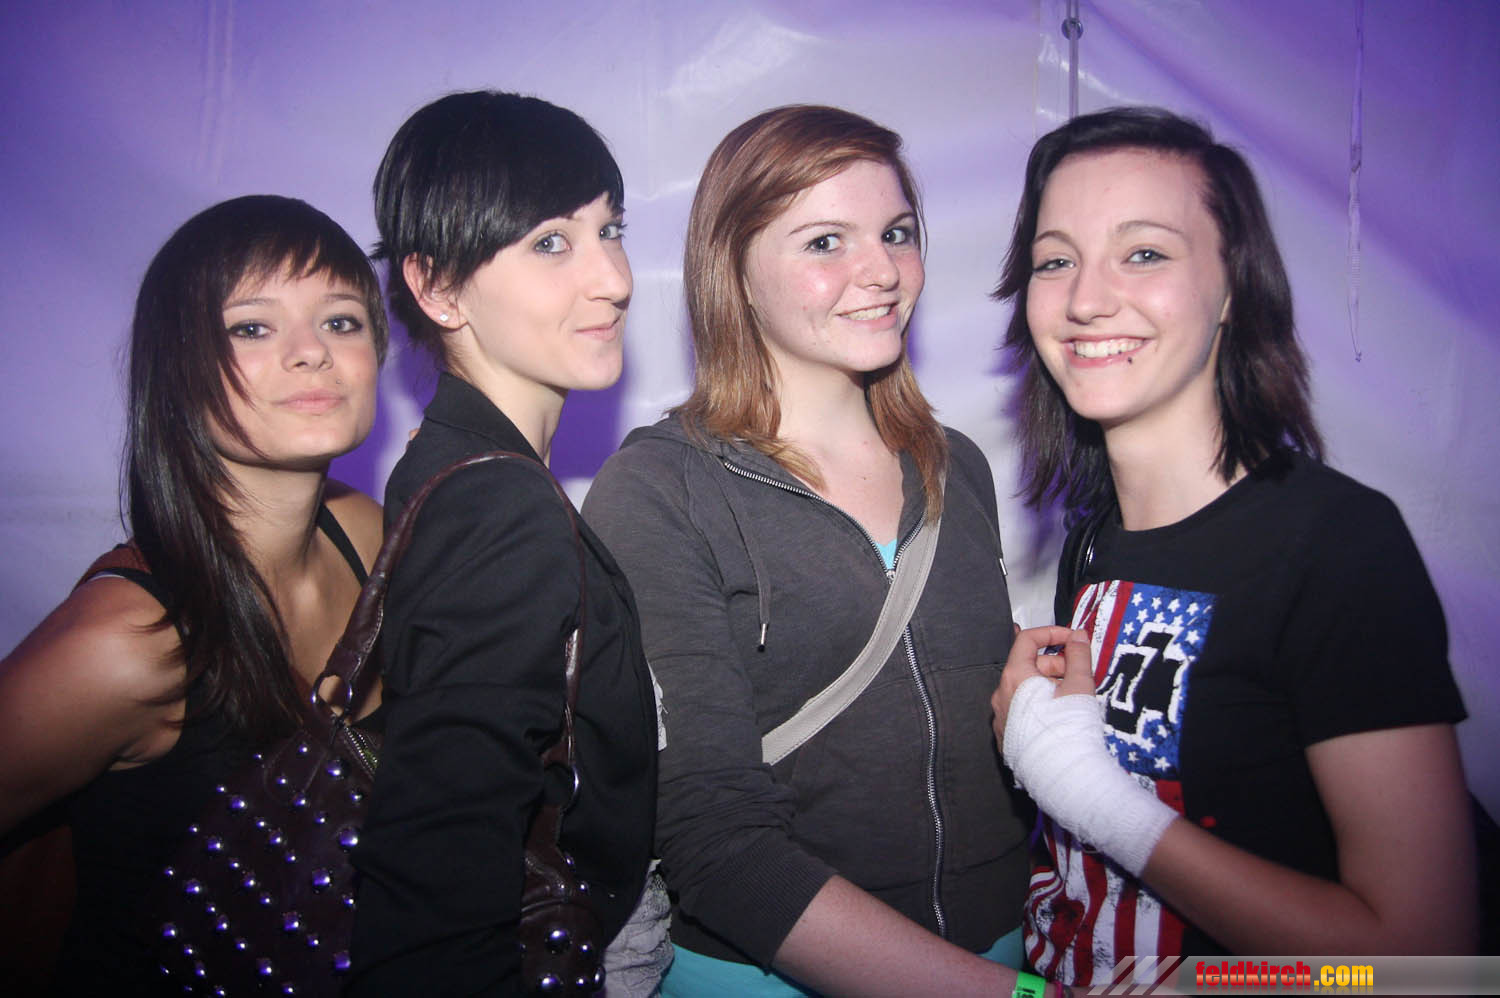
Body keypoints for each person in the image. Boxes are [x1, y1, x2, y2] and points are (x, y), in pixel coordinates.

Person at [989, 106, 1478, 985]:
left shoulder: (1335, 544)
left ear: (1233, 291)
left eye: (1145, 253)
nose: (1086, 298)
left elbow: (1420, 964)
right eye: (1054, 260)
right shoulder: (1095, 539)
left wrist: (1093, 797)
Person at [583, 105, 1041, 997]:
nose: (882, 271)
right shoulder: (660, 491)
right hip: (768, 976)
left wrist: (1028, 707)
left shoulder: (957, 467)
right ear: (735, 272)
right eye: (826, 241)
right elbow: (713, 841)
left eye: (896, 233)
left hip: (999, 948)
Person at [0, 194, 388, 995]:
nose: (311, 353)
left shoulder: (369, 535)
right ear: (176, 367)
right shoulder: (125, 645)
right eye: (252, 327)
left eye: (340, 320)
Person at [348, 91, 662, 995]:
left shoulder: (451, 461)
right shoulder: (495, 503)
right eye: (551, 243)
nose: (613, 278)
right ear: (437, 287)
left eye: (610, 230)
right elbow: (435, 893)